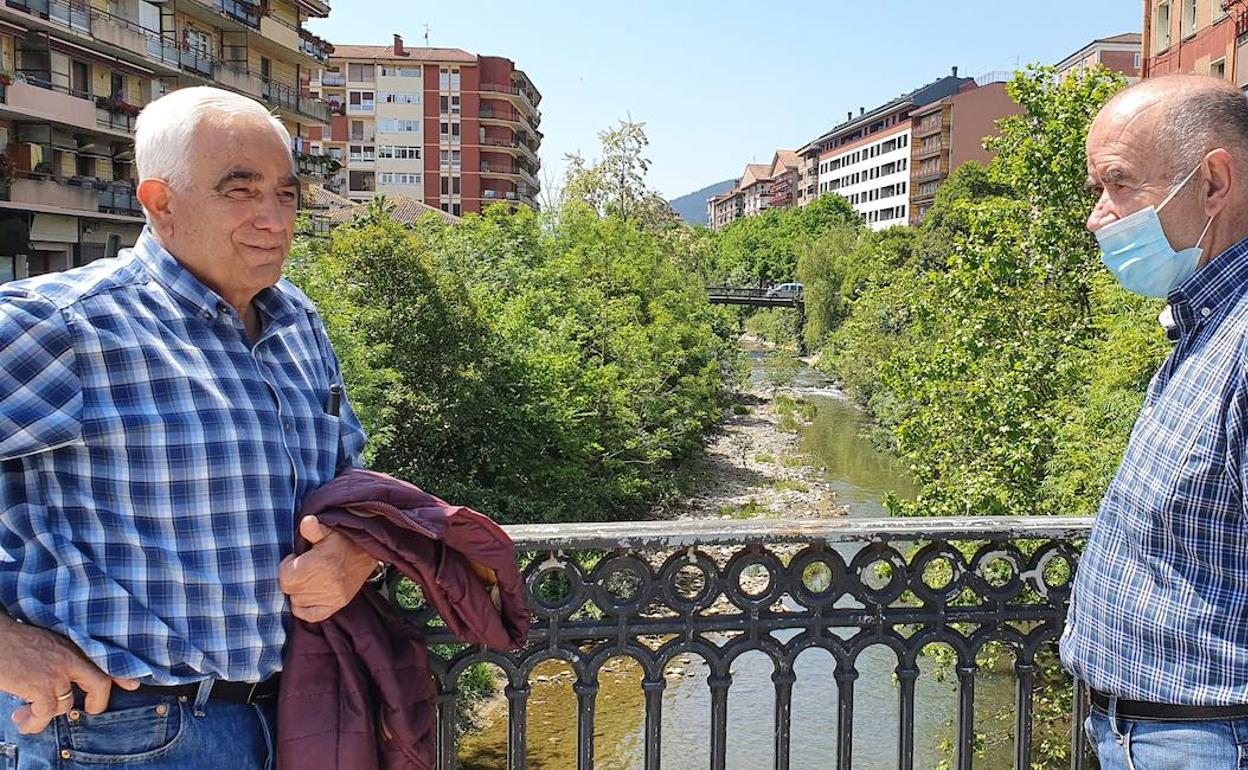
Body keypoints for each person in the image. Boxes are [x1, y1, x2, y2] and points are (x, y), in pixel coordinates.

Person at [0, 86, 378, 768]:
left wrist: (356, 549)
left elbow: (344, 484)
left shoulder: (297, 323)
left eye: (286, 194)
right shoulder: (67, 326)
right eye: (240, 191)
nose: (274, 220)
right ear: (159, 202)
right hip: (123, 735)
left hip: (294, 718)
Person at [1062, 73, 1248, 768]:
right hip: (1157, 732)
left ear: (1212, 183)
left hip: (1207, 738)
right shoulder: (1211, 320)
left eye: (1119, 183)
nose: (1098, 216)